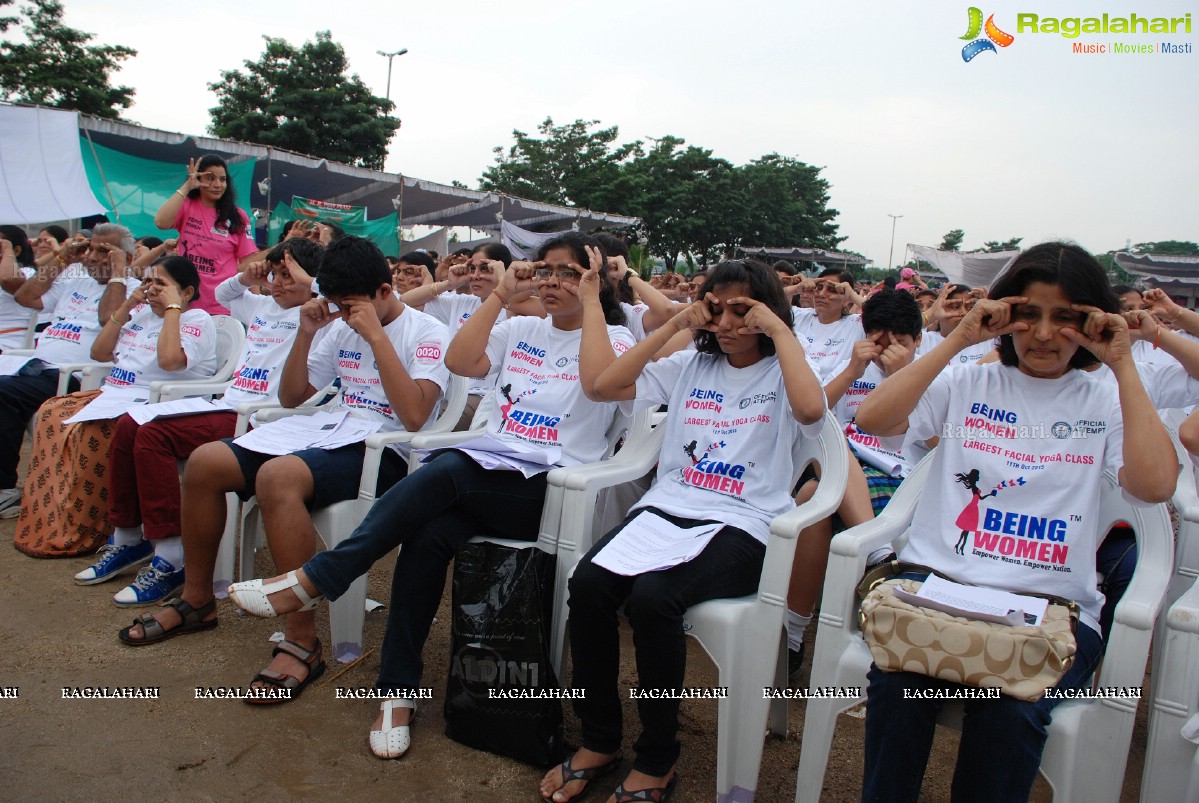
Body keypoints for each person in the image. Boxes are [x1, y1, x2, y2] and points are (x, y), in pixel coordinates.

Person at [226, 232, 634, 755]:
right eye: (546, 270)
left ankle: (319, 577)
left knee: (449, 470)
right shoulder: (521, 328)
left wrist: (596, 300)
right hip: (492, 471)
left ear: (593, 280)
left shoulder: (615, 343)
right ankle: (397, 691)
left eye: (570, 273)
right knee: (427, 536)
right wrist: (499, 295)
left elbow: (600, 381)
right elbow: (463, 362)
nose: (553, 282)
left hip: (553, 490)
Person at [853, 242, 1177, 802]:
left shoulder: (1104, 398)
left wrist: (1122, 363)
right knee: (899, 685)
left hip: (1049, 608)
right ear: (1003, 313)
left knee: (1008, 709)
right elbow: (874, 417)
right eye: (1028, 313)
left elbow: (1153, 486)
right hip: (940, 591)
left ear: (1094, 322)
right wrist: (958, 338)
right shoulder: (968, 382)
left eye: (1066, 318)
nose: (1044, 335)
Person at [539, 258, 826, 803]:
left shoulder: (786, 366)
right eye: (716, 308)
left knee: (654, 600)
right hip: (670, 509)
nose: (728, 323)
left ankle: (658, 755)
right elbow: (605, 386)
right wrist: (674, 325)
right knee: (590, 585)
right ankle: (600, 737)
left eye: (744, 309)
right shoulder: (692, 365)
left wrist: (780, 331)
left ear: (768, 311)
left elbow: (812, 412)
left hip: (743, 522)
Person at [137, 236, 448, 699]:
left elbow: (416, 417)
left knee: (276, 476)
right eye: (337, 305)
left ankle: (301, 640)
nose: (343, 314)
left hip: (382, 452)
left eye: (351, 305)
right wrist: (306, 332)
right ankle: (198, 599)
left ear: (386, 291)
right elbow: (292, 397)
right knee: (204, 462)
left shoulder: (426, 333)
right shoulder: (340, 327)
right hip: (325, 433)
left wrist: (377, 338)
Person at [88, 239, 322, 613]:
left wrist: (309, 280)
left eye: (285, 276)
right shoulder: (262, 304)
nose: (277, 283)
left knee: (153, 435)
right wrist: (249, 275)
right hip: (227, 403)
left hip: (257, 417)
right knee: (131, 424)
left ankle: (170, 554)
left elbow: (342, 299)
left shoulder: (319, 314)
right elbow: (226, 291)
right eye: (274, 274)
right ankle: (129, 536)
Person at [15, 256, 217, 561]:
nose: (150, 289)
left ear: (186, 292)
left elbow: (169, 362)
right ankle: (57, 519)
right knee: (51, 413)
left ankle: (93, 526)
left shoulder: (196, 319)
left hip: (154, 402)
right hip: (114, 394)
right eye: (147, 281)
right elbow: (99, 353)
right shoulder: (140, 315)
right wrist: (127, 306)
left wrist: (173, 309)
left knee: (88, 431)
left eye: (160, 284)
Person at [786, 289, 929, 675]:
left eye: (900, 342)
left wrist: (902, 376)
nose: (888, 351)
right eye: (880, 340)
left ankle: (794, 632)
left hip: (904, 483)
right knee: (824, 477)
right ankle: (877, 551)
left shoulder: (934, 378)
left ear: (918, 340)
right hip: (846, 472)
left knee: (817, 494)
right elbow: (812, 415)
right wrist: (851, 372)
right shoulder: (854, 369)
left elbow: (941, 443)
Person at [0, 224, 136, 519]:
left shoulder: (134, 288)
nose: (94, 257)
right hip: (35, 367)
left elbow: (106, 318)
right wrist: (62, 259)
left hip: (75, 378)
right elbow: (25, 296)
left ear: (124, 256)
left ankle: (4, 490)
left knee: (3, 393)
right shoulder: (74, 277)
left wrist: (117, 273)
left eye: (105, 252)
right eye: (92, 249)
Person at [399, 242, 542, 429]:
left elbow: (525, 306)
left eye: (485, 268)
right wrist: (448, 283)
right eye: (472, 268)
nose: (475, 276)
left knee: (431, 429)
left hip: (480, 395)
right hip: (446, 387)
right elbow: (406, 301)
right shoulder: (462, 303)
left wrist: (504, 281)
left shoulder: (515, 307)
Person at [154, 154, 260, 315]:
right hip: (187, 305)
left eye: (222, 179)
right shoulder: (187, 206)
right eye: (210, 178)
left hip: (223, 307)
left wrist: (255, 304)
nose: (217, 184)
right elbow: (161, 222)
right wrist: (188, 186)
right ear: (198, 178)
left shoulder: (238, 216)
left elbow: (247, 263)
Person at [792, 267, 866, 380]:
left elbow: (891, 316)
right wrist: (795, 289)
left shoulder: (857, 324)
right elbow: (762, 305)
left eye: (832, 290)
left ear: (846, 299)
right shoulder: (799, 316)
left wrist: (853, 297)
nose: (821, 294)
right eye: (819, 287)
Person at [0, 227, 36, 351]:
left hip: (9, 343)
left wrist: (7, 248)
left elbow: (8, 279)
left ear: (16, 251)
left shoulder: (27, 273)